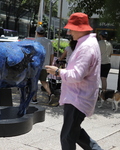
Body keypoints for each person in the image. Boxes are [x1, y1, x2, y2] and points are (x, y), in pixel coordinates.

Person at [45, 12, 103, 150]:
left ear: (80, 29)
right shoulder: (86, 43)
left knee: (67, 137)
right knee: (74, 133)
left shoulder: (86, 47)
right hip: (77, 96)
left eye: (71, 28)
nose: (69, 31)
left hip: (77, 98)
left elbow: (77, 75)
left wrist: (57, 71)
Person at [31, 25, 54, 104]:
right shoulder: (49, 42)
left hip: (35, 65)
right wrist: (50, 65)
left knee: (34, 82)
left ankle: (34, 99)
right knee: (44, 81)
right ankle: (50, 94)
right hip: (45, 65)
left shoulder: (35, 42)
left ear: (37, 33)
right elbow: (52, 55)